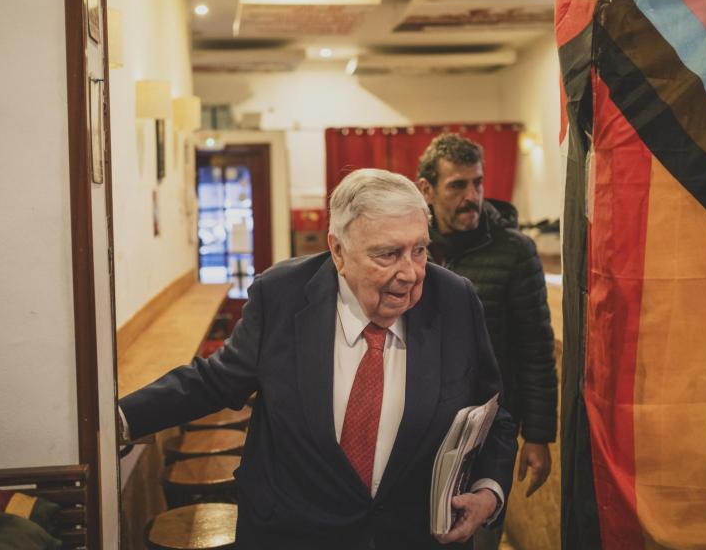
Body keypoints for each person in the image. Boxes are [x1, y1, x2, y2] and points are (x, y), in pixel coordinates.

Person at [120, 168, 518, 550]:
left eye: (419, 250)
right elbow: (213, 381)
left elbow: (492, 414)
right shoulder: (281, 295)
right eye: (388, 254)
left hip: (415, 537)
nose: (411, 273)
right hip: (294, 535)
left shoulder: (454, 300)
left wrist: (489, 491)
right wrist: (119, 421)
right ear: (338, 251)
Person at [416, 134, 557, 550]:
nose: (472, 197)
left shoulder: (515, 251)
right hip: (419, 425)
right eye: (457, 185)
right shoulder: (413, 249)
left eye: (477, 183)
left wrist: (538, 435)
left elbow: (536, 348)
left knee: (477, 536)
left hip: (486, 430)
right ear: (426, 189)